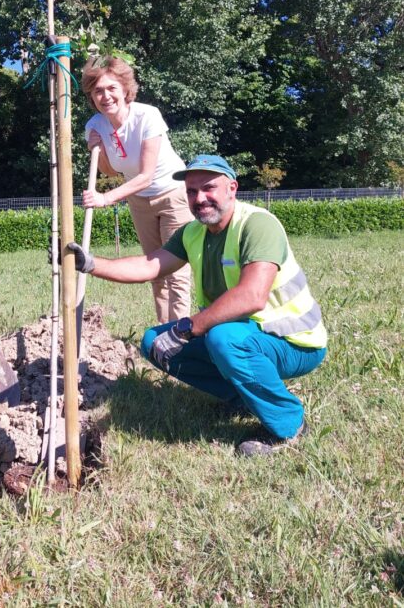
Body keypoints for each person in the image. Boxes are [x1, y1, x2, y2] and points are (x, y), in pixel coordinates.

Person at [68, 154, 328, 457]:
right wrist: (90, 264)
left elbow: (252, 296)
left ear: (232, 188)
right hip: (246, 335)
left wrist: (188, 328)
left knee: (222, 339)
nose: (199, 198)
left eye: (208, 188)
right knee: (154, 342)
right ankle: (244, 397)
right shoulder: (194, 232)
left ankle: (289, 426)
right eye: (191, 191)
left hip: (295, 342)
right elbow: (150, 266)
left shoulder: (257, 225)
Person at [80, 55, 193, 322]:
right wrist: (95, 146)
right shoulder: (95, 126)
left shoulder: (147, 116)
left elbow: (145, 175)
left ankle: (182, 336)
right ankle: (164, 333)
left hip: (172, 193)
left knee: (176, 268)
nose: (105, 96)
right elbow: (110, 170)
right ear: (92, 96)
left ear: (124, 90)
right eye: (98, 91)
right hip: (140, 201)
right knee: (154, 268)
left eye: (111, 88)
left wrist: (105, 199)